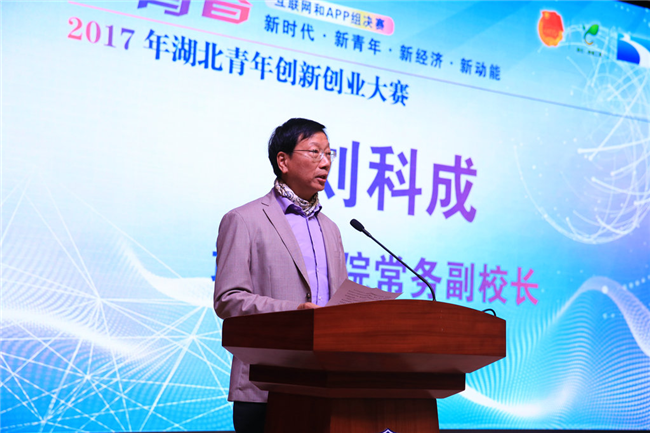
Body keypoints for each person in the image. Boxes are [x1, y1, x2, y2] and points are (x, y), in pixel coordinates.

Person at [213, 118, 348, 433]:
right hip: (265, 386)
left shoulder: (331, 229)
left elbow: (338, 303)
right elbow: (228, 300)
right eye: (314, 152)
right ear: (283, 161)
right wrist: (293, 312)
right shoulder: (244, 220)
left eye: (329, 154)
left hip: (324, 385)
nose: (325, 162)